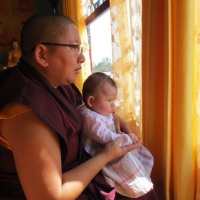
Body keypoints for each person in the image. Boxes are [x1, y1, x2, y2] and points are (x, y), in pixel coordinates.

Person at [0, 13, 158, 200]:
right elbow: (50, 196)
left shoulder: (58, 85)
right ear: (42, 54)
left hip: (80, 170)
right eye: (75, 47)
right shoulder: (25, 111)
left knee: (140, 182)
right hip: (66, 189)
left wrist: (114, 118)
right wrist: (106, 155)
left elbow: (84, 112)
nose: (82, 58)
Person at [78, 72, 155, 198]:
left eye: (113, 99)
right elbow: (105, 136)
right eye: (109, 100)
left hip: (112, 146)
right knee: (125, 168)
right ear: (91, 101)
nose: (113, 104)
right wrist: (126, 138)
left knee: (137, 157)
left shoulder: (96, 110)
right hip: (101, 151)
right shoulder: (89, 119)